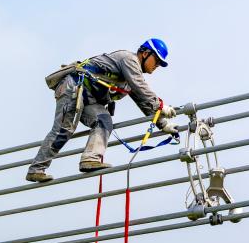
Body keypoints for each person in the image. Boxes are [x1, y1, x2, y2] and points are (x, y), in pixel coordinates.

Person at [26, 38, 179, 183]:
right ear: (145, 53)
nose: (157, 65)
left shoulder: (129, 79)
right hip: (73, 88)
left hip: (88, 99)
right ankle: (36, 169)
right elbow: (142, 89)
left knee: (104, 121)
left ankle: (90, 159)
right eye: (156, 61)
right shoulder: (129, 60)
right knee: (64, 129)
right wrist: (160, 105)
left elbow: (143, 100)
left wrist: (163, 124)